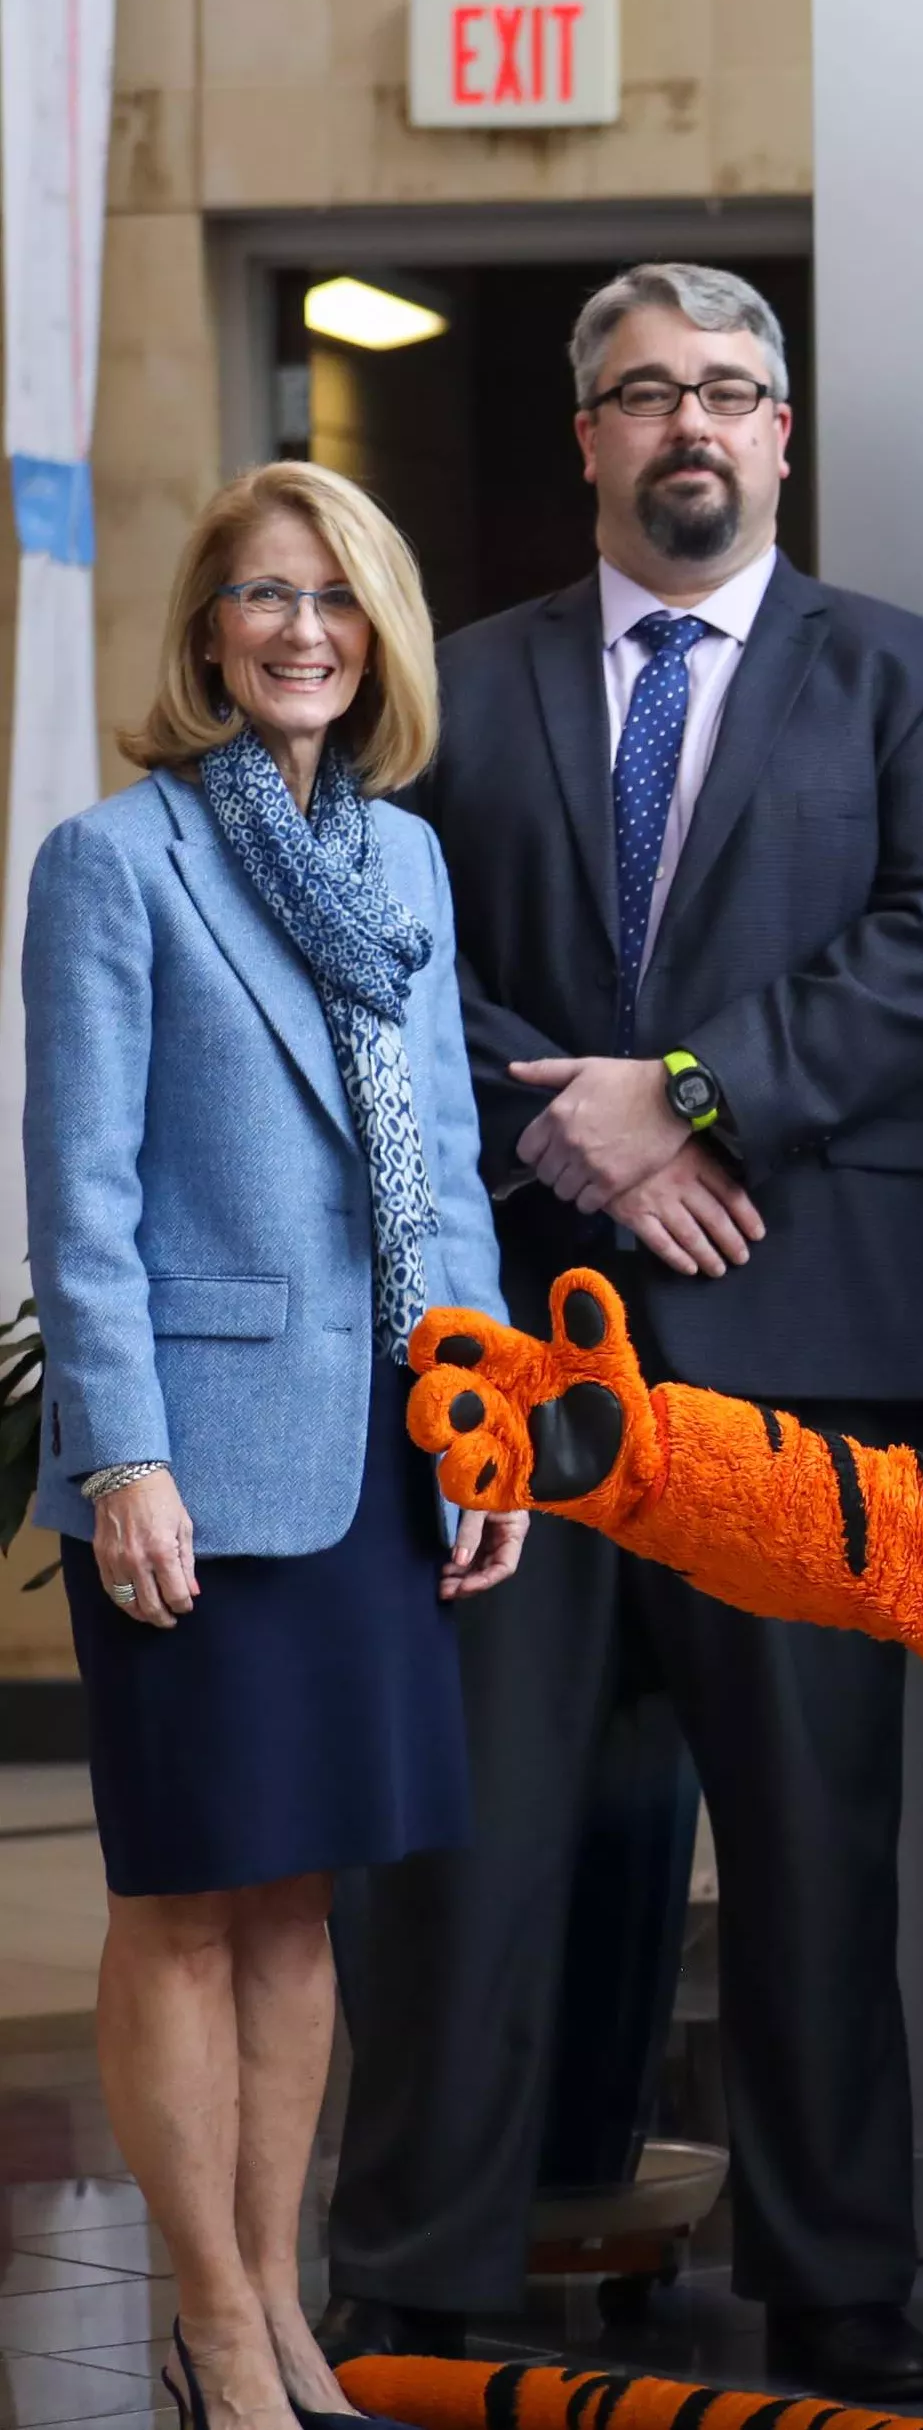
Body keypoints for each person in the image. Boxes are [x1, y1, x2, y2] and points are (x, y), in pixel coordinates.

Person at [322, 263, 923, 2403]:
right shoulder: (460, 685)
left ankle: (840, 2295)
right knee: (472, 1838)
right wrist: (601, 1138)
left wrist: (692, 1095)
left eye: (728, 388)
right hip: (516, 1366)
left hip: (808, 1358)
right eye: (644, 393)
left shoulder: (909, 684)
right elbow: (380, 942)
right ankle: (422, 2280)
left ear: (784, 432)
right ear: (590, 439)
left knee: (816, 1855)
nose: (688, 422)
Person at [24, 465, 518, 2430]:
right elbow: (76, 1199)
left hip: (377, 1445)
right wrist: (119, 1450)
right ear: (207, 631)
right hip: (194, 1458)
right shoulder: (113, 861)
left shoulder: (402, 864)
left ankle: (283, 2303)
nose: (300, 630)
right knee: (184, 1898)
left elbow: (451, 1178)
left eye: (334, 597)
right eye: (261, 596)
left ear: (377, 630)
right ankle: (211, 2316)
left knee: (305, 1897)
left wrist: (476, 1423)